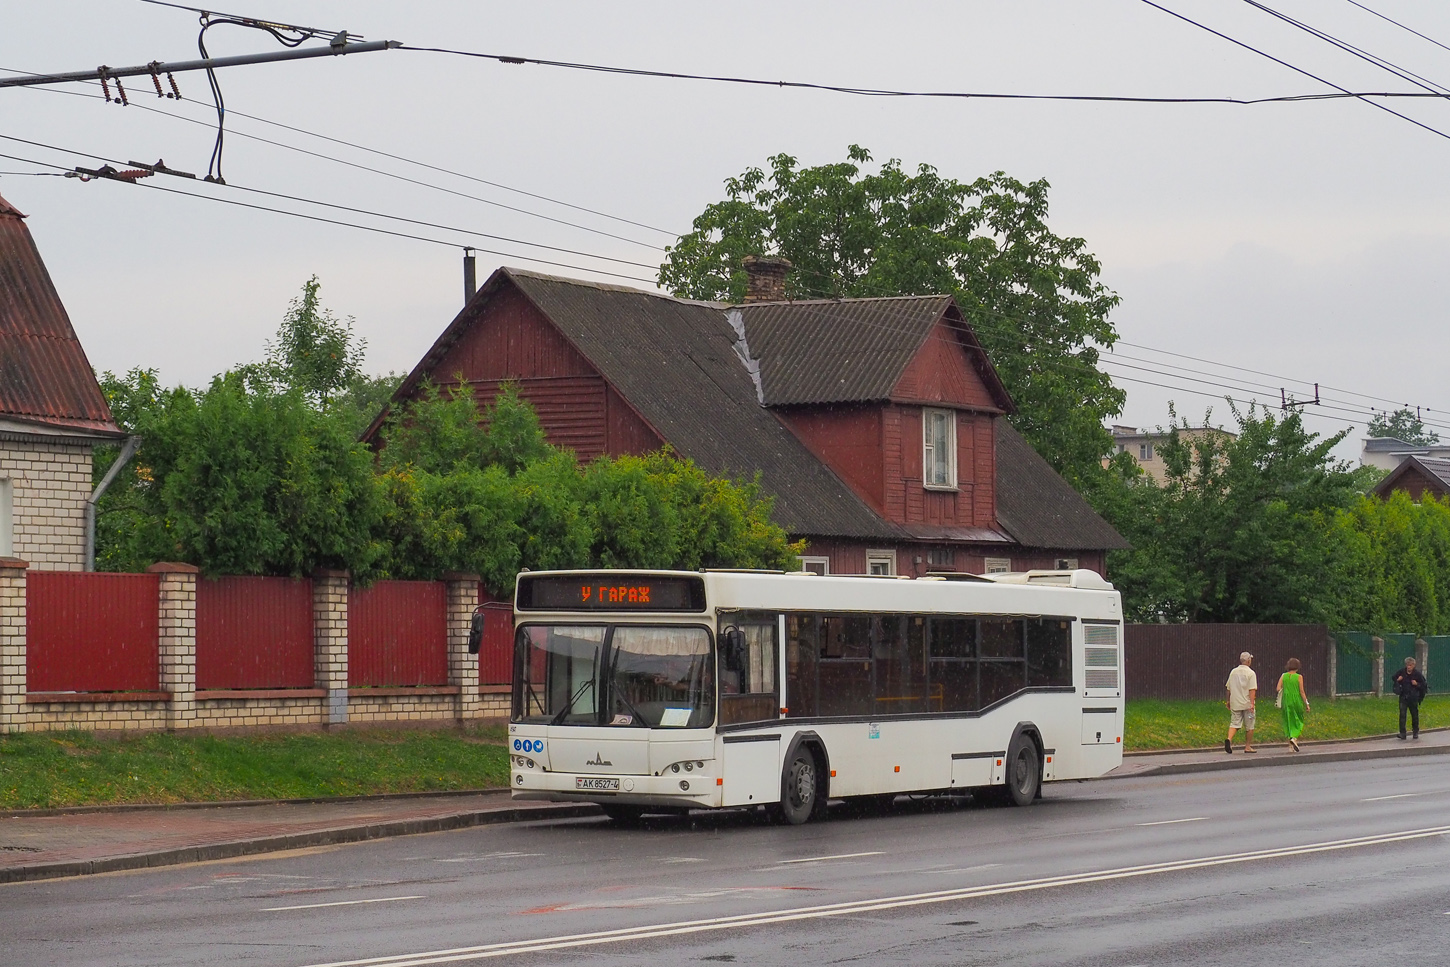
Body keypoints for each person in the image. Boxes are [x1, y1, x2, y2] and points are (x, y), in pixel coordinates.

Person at [1224, 651, 1258, 754]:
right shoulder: (1251, 673)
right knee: (1250, 725)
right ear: (1248, 660)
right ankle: (1247, 746)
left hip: (1235, 702)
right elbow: (1252, 689)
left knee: (1234, 723)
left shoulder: (1233, 672)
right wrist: (1252, 704)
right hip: (1247, 704)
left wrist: (1228, 701)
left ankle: (1229, 739)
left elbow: (1228, 688)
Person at [1276, 658, 1310, 752]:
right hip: (1296, 700)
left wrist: (1286, 691)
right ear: (1298, 667)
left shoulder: (1283, 676)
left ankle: (1290, 746)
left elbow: (1278, 688)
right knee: (1299, 720)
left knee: (1288, 721)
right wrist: (1306, 703)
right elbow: (1302, 691)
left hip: (1286, 701)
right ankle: (1294, 738)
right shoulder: (1299, 677)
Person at [1392, 657, 1429, 740]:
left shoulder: (1417, 674)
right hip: (1403, 697)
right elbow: (1393, 677)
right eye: (1407, 665)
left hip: (1413, 697)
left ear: (1414, 665)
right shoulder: (1402, 672)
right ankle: (1402, 733)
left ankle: (1415, 731)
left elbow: (1424, 685)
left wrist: (1417, 684)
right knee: (1402, 715)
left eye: (1410, 665)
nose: (1408, 667)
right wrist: (1397, 680)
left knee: (1414, 715)